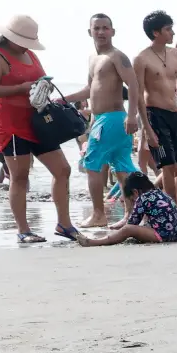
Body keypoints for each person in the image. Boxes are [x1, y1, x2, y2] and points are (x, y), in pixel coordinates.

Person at [0, 14, 78, 243]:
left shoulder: (30, 54)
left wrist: (44, 86)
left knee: (63, 169)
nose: (26, 45)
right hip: (10, 124)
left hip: (38, 121)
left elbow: (38, 80)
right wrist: (20, 87)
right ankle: (23, 230)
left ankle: (64, 224)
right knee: (20, 176)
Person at [62, 14, 143, 228]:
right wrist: (64, 99)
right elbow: (90, 89)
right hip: (103, 119)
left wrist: (133, 114)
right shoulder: (93, 58)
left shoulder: (116, 56)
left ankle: (99, 214)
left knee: (92, 165)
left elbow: (133, 85)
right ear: (90, 32)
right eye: (96, 28)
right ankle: (130, 214)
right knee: (122, 166)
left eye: (105, 28)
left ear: (113, 31)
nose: (101, 32)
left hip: (113, 117)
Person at [134, 10, 177, 226]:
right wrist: (147, 129)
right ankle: (173, 212)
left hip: (173, 114)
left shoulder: (176, 55)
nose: (172, 33)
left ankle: (151, 199)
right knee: (167, 166)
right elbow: (139, 95)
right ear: (156, 32)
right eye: (168, 29)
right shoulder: (142, 59)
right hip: (154, 114)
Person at [73, 172, 177, 246]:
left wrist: (120, 232)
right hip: (176, 234)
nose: (134, 201)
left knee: (127, 229)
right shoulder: (160, 193)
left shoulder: (143, 198)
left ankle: (95, 242)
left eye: (132, 199)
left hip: (163, 235)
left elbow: (132, 224)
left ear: (135, 192)